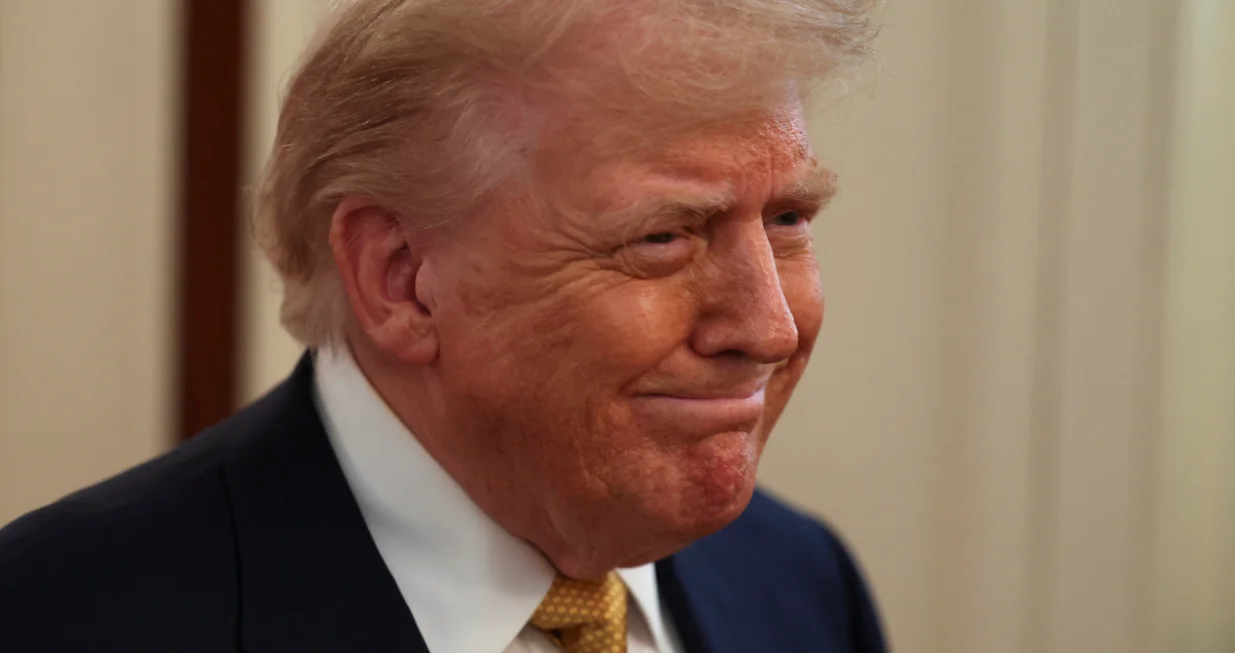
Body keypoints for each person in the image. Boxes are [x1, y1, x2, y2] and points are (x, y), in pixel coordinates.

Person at [0, 0, 885, 651]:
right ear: (402, 281)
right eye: (662, 236)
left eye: (788, 220)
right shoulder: (61, 616)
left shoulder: (799, 583)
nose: (767, 327)